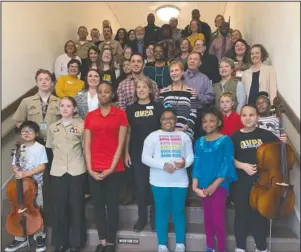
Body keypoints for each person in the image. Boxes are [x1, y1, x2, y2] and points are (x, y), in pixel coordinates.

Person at [230, 105, 287, 252]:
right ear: (240, 117)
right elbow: (227, 159)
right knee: (241, 214)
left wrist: (284, 142)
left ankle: (261, 247)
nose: (248, 118)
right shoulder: (234, 137)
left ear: (257, 117)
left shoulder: (266, 135)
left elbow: (278, 154)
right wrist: (243, 166)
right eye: (244, 115)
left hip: (263, 182)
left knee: (260, 214)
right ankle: (240, 247)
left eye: (251, 115)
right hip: (241, 182)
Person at [142, 107, 194, 252]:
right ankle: (162, 245)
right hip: (159, 181)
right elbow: (144, 158)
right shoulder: (152, 136)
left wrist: (185, 163)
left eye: (171, 118)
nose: (168, 121)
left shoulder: (184, 137)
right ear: (160, 120)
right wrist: (162, 165)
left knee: (179, 211)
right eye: (165, 118)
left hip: (180, 181)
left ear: (175, 120)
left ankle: (180, 244)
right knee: (161, 211)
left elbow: (190, 156)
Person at [84, 81, 128, 252]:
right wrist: (90, 169)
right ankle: (101, 240)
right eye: (100, 92)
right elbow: (86, 145)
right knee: (98, 205)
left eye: (106, 91)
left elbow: (120, 144)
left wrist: (111, 167)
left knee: (111, 204)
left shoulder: (120, 114)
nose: (103, 94)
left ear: (112, 94)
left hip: (114, 169)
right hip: (93, 168)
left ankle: (110, 241)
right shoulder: (90, 116)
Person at [192, 107, 237, 252]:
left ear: (218, 122)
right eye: (204, 121)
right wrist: (194, 185)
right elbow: (197, 163)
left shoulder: (225, 140)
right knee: (207, 218)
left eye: (211, 121)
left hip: (220, 184)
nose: (208, 124)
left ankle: (222, 249)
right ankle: (210, 247)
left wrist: (215, 185)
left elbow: (227, 163)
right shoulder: (199, 141)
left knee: (218, 219)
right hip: (203, 185)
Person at [46, 97, 86, 252]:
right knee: (59, 208)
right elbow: (50, 148)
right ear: (58, 108)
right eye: (62, 105)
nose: (65, 108)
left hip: (76, 171)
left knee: (76, 208)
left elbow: (85, 148)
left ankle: (77, 242)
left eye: (68, 106)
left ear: (74, 109)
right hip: (58, 172)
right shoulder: (52, 127)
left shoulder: (81, 126)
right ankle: (60, 242)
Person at [125, 76, 163, 232]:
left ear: (150, 90)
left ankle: (155, 219)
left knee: (155, 187)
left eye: (144, 87)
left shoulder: (158, 107)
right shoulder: (131, 109)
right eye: (138, 87)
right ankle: (142, 218)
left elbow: (163, 130)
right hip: (137, 153)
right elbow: (127, 132)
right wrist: (126, 152)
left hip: (157, 154)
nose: (141, 90)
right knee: (141, 188)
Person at [5, 121, 48, 252]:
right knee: (18, 208)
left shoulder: (39, 147)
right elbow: (14, 165)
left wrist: (26, 173)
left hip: (34, 187)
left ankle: (39, 235)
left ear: (36, 133)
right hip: (20, 186)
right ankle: (20, 238)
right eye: (24, 131)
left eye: (30, 131)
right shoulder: (19, 148)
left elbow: (42, 166)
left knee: (37, 210)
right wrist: (16, 170)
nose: (26, 133)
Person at [12, 69, 60, 174]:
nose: (44, 82)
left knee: (52, 173)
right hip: (33, 145)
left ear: (52, 83)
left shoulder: (60, 102)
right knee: (34, 173)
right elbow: (18, 121)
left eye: (47, 79)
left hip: (54, 145)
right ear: (36, 83)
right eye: (40, 79)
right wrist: (29, 135)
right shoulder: (26, 101)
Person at [159, 61, 197, 139]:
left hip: (185, 132)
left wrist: (187, 126)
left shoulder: (190, 91)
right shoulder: (164, 92)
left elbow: (193, 112)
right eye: (172, 71)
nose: (174, 73)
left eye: (177, 70)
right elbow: (160, 112)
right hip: (167, 132)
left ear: (182, 72)